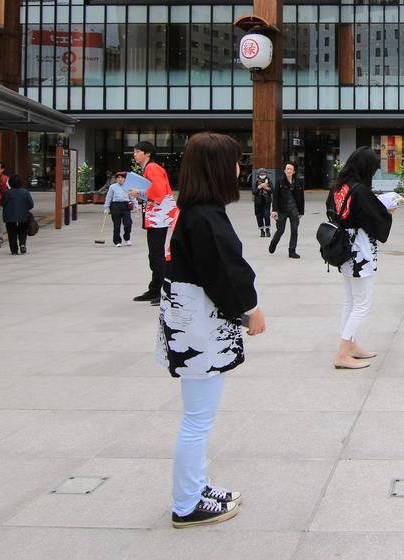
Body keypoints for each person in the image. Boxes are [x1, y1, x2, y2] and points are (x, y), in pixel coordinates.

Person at [159, 132, 265, 528]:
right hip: (198, 332)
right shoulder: (205, 215)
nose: (240, 168)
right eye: (236, 161)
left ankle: (197, 486)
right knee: (197, 420)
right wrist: (251, 309)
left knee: (199, 416)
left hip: (192, 327)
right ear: (218, 168)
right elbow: (227, 271)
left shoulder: (194, 210)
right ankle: (186, 503)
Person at [327, 147, 395, 369]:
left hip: (344, 249)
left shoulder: (339, 187)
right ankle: (342, 352)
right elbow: (376, 217)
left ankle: (352, 345)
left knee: (350, 300)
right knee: (363, 303)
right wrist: (387, 211)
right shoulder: (360, 190)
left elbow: (334, 213)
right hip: (360, 249)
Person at [130, 141, 177, 305]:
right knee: (156, 255)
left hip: (161, 218)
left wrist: (138, 193)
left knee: (157, 255)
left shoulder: (152, 168)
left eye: (137, 151)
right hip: (159, 217)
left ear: (147, 153)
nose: (134, 154)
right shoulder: (151, 168)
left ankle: (163, 291)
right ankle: (156, 289)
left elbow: (157, 193)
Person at [269, 161, 305, 259]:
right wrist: (274, 210)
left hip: (294, 210)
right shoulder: (279, 181)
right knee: (280, 230)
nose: (288, 170)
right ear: (284, 170)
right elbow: (275, 197)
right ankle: (274, 243)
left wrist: (301, 211)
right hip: (282, 210)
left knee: (294, 231)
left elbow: (301, 197)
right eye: (287, 169)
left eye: (290, 169)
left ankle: (292, 251)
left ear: (294, 171)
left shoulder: (298, 183)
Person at [2, 176, 35, 255]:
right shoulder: (25, 192)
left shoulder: (6, 193)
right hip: (23, 214)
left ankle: (14, 250)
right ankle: (22, 244)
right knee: (23, 230)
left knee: (11, 232)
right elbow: (31, 205)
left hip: (9, 215)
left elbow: (2, 203)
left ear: (10, 183)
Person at [104, 171, 135, 247]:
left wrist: (136, 205)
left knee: (128, 224)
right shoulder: (112, 187)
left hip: (126, 206)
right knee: (116, 225)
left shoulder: (128, 187)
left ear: (124, 179)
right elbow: (109, 198)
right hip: (116, 206)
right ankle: (117, 241)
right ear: (116, 179)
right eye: (118, 178)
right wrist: (106, 207)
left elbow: (132, 197)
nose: (120, 179)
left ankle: (127, 238)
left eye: (122, 178)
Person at [252, 170, 272, 238]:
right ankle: (262, 231)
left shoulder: (269, 181)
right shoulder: (256, 182)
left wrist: (266, 188)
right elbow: (254, 192)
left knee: (266, 215)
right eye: (261, 174)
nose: (262, 175)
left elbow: (273, 190)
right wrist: (259, 187)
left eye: (264, 174)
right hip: (258, 202)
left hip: (266, 202)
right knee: (259, 216)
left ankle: (267, 230)